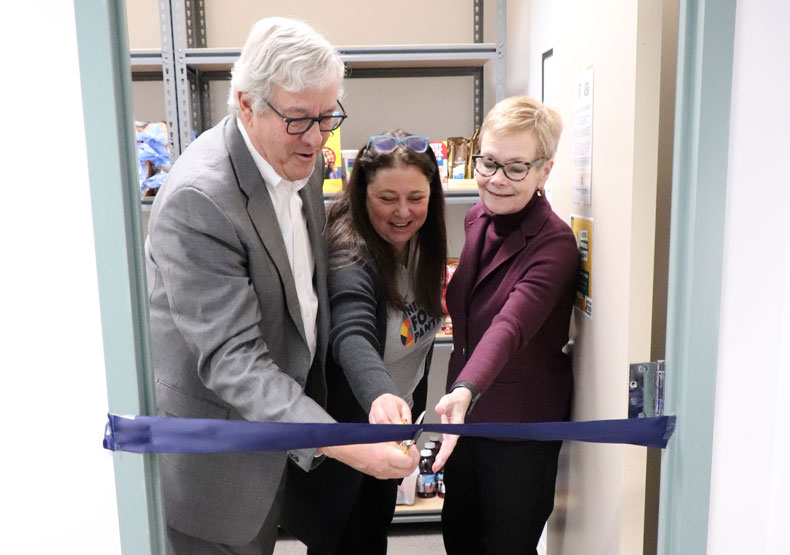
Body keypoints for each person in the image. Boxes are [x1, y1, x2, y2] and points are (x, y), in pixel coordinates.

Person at [145, 18, 419, 554]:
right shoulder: (200, 201)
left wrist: (376, 391)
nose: (318, 138)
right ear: (246, 104)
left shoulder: (302, 162)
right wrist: (343, 443)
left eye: (328, 116)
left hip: (276, 446)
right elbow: (234, 361)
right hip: (214, 474)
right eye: (299, 119)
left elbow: (309, 299)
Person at [281, 131, 447, 554]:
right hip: (346, 446)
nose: (403, 212)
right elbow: (351, 334)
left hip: (389, 433)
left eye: (416, 197)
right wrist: (382, 396)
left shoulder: (418, 248)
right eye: (386, 198)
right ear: (360, 192)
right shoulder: (350, 252)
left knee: (372, 539)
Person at [431, 95, 580, 555]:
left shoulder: (554, 244)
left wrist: (466, 387)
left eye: (515, 168)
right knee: (458, 538)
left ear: (544, 171)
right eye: (488, 162)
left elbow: (510, 325)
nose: (496, 179)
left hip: (519, 431)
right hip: (468, 421)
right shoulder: (480, 217)